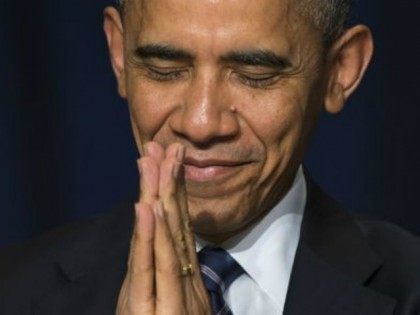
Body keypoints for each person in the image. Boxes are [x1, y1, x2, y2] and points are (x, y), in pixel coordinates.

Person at [1, 0, 419, 314]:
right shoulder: (15, 291)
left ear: (339, 70)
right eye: (165, 68)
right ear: (118, 54)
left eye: (256, 75)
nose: (201, 123)